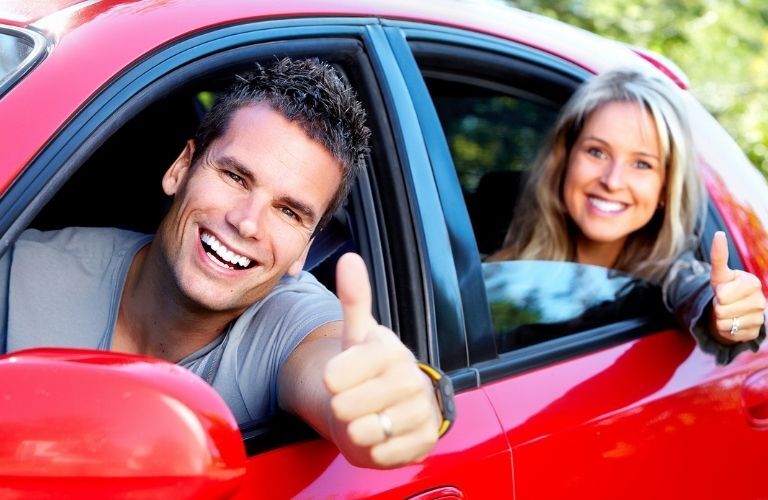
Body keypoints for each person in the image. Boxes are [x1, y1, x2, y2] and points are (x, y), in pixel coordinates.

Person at [0, 58, 449, 469]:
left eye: (288, 211)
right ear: (181, 168)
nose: (247, 222)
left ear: (306, 249)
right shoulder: (22, 267)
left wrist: (405, 398)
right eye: (235, 176)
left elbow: (332, 361)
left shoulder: (291, 323)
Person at [490, 69, 766, 364]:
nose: (613, 180)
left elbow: (700, 295)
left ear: (665, 188)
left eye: (642, 164)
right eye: (597, 152)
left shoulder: (668, 274)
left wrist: (730, 319)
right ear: (565, 158)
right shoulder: (489, 239)